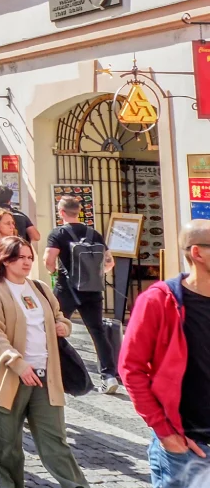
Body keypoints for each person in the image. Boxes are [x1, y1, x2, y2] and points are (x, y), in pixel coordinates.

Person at [0, 236, 87, 488]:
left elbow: (59, 317)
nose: (27, 262)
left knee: (55, 441)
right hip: (10, 379)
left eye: (30, 257)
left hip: (46, 376)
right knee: (6, 445)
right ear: (5, 260)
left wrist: (64, 326)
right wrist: (18, 364)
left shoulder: (39, 288)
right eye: (20, 257)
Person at [121, 220, 210, 487]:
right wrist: (166, 433)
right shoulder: (158, 300)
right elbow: (131, 368)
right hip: (187, 447)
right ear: (198, 253)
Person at [44, 196, 118, 394]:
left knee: (53, 327)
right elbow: (109, 262)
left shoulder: (57, 233)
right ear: (79, 211)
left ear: (61, 213)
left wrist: (53, 272)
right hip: (92, 290)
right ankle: (109, 375)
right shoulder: (93, 233)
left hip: (66, 290)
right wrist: (96, 274)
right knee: (98, 331)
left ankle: (52, 367)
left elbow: (48, 259)